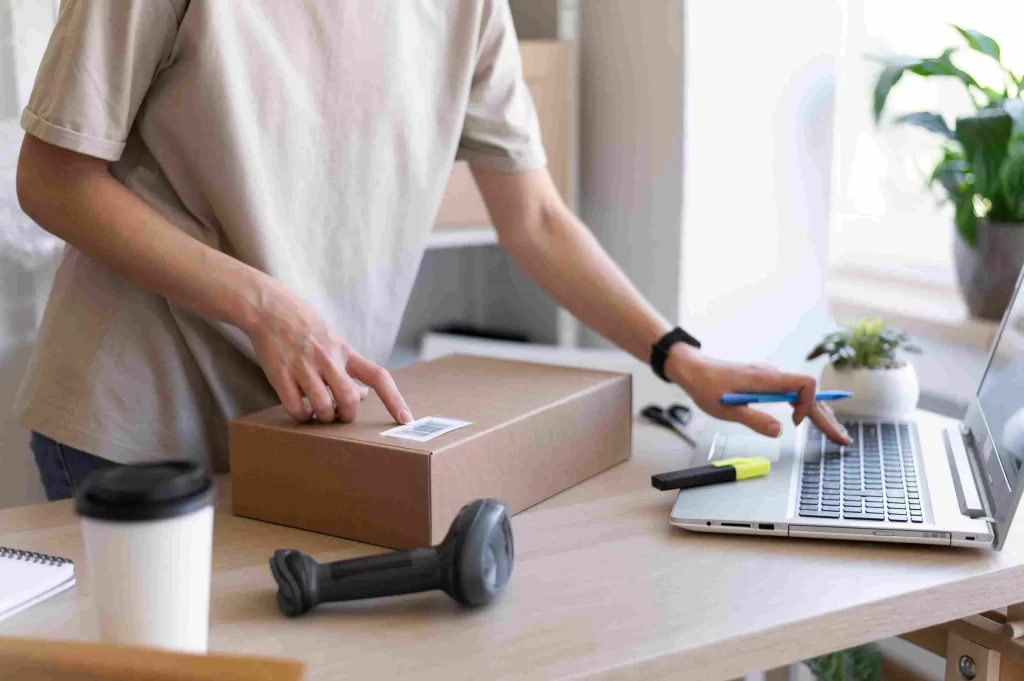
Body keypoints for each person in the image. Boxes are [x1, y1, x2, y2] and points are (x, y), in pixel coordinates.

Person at [15, 0, 849, 502]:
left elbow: (536, 219)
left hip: (305, 430)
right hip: (133, 418)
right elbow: (52, 178)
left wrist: (679, 356)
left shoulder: (467, 10)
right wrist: (261, 302)